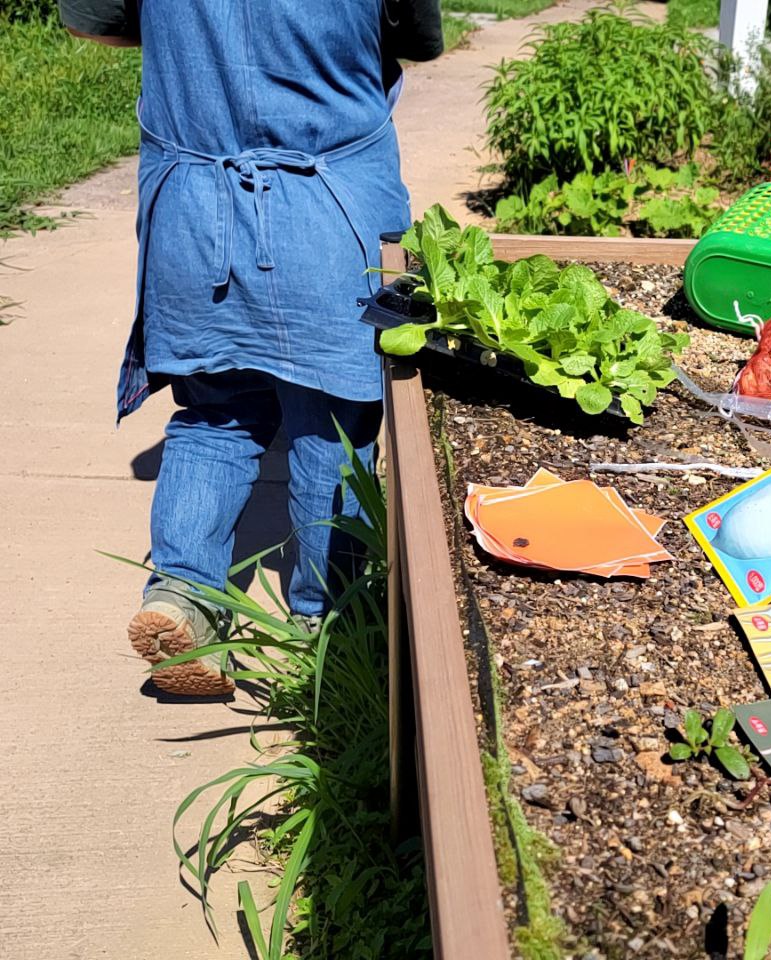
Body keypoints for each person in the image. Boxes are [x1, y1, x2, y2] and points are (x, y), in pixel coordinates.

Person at [59, 0, 443, 696]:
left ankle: (182, 597)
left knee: (216, 414)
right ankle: (325, 632)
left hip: (192, 210)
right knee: (332, 428)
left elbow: (93, 20)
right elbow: (419, 39)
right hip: (328, 214)